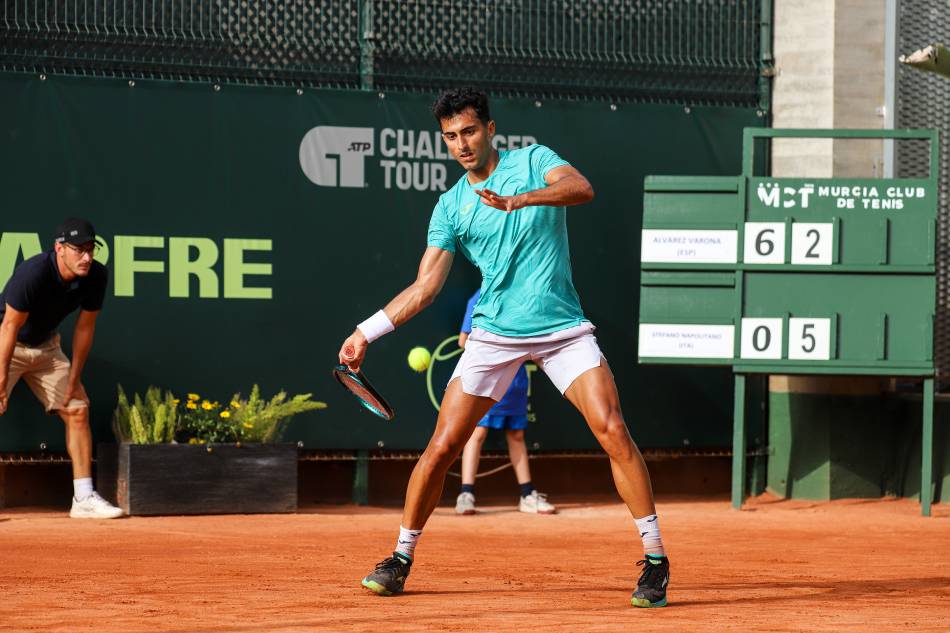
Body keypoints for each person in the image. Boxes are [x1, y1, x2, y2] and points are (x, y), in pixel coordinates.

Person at [338, 87, 669, 607]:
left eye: (469, 131)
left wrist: (522, 198)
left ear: (491, 129)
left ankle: (655, 561)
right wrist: (365, 331)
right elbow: (425, 287)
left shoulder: (536, 161)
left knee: (612, 428)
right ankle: (400, 557)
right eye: (450, 137)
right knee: (443, 447)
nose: (461, 144)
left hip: (562, 328)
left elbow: (582, 189)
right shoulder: (450, 206)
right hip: (494, 334)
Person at [0, 218, 123, 519]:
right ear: (59, 249)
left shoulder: (96, 276)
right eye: (79, 249)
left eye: (91, 249)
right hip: (7, 343)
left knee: (78, 407)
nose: (86, 257)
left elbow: (84, 329)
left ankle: (83, 498)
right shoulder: (34, 272)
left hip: (47, 349)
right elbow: (9, 326)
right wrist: (1, 379)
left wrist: (75, 378)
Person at [455, 288, 555, 515]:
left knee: (516, 435)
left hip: (516, 383)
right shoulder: (479, 297)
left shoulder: (523, 297)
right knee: (478, 433)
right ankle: (466, 494)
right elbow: (463, 341)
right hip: (489, 378)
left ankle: (527, 495)